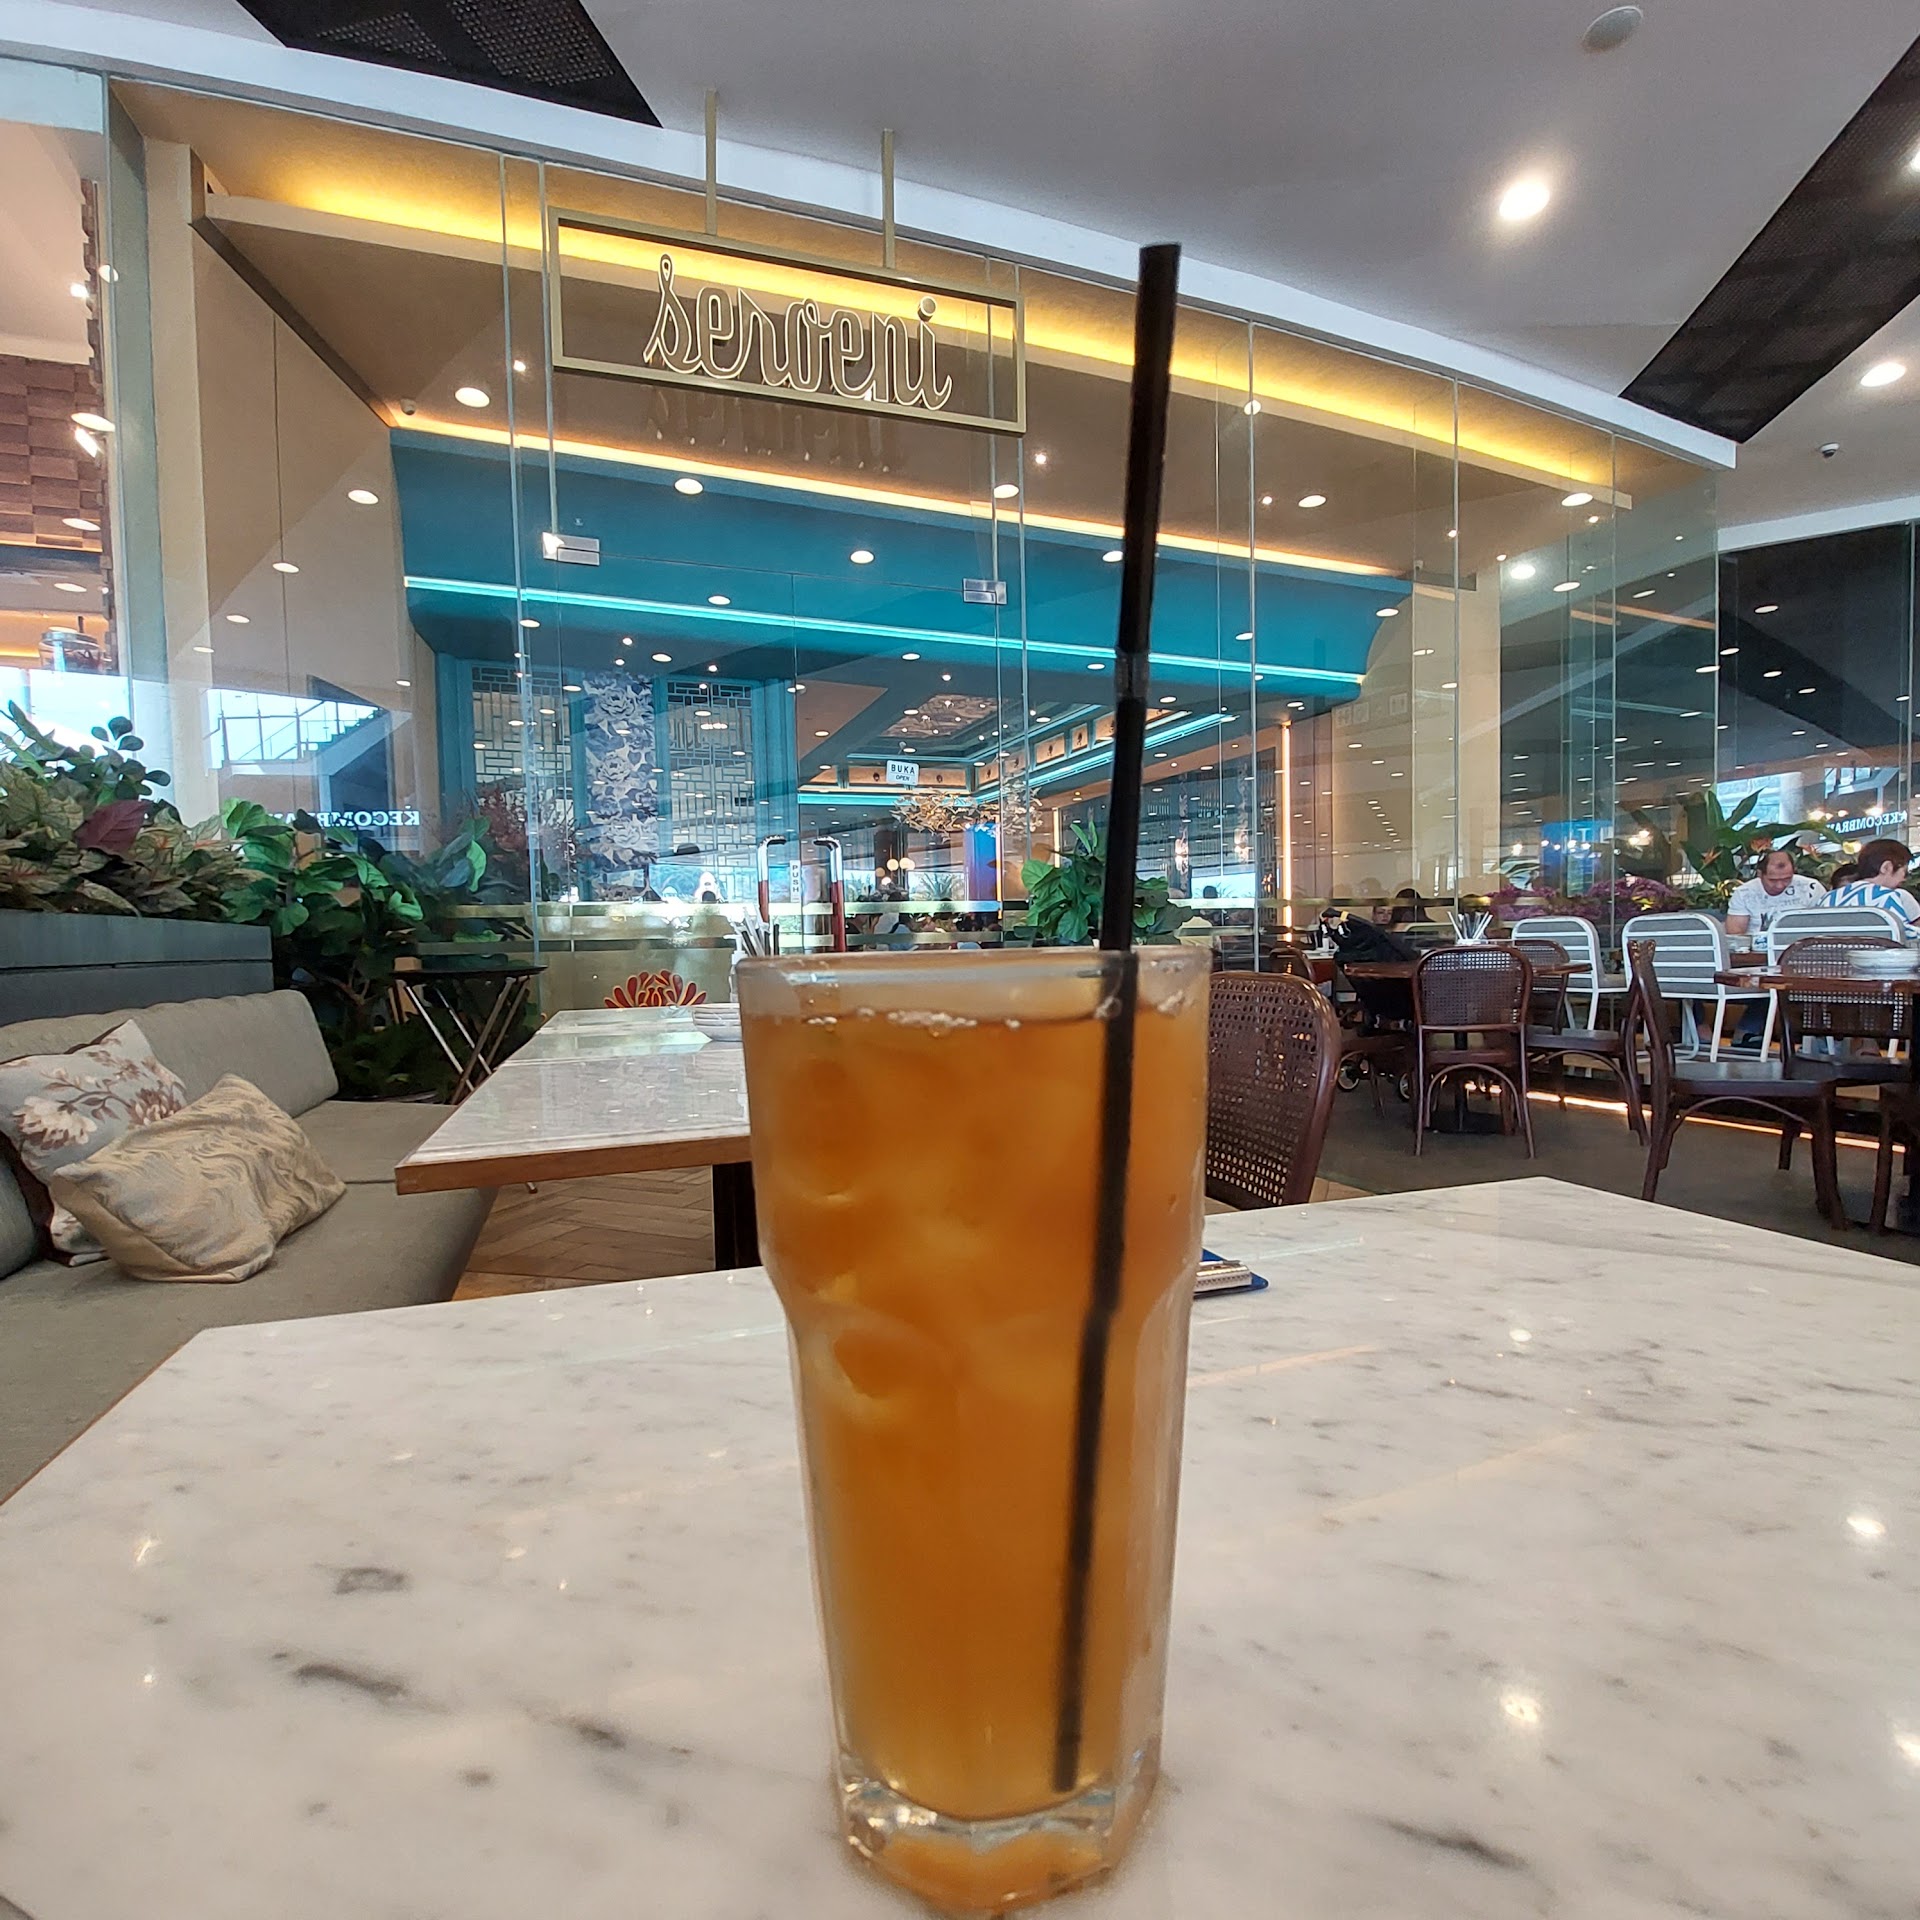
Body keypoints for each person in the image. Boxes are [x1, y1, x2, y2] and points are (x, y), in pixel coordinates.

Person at [1725, 847, 1827, 937]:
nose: (1780, 885)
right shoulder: (1744, 893)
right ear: (1760, 874)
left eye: (1787, 879)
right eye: (1773, 880)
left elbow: (1826, 924)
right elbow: (1735, 935)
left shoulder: (1811, 888)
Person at [1825, 838, 1920, 928]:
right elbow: (1901, 934)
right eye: (1905, 871)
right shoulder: (1887, 897)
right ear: (1886, 867)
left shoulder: (1828, 898)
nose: (1904, 878)